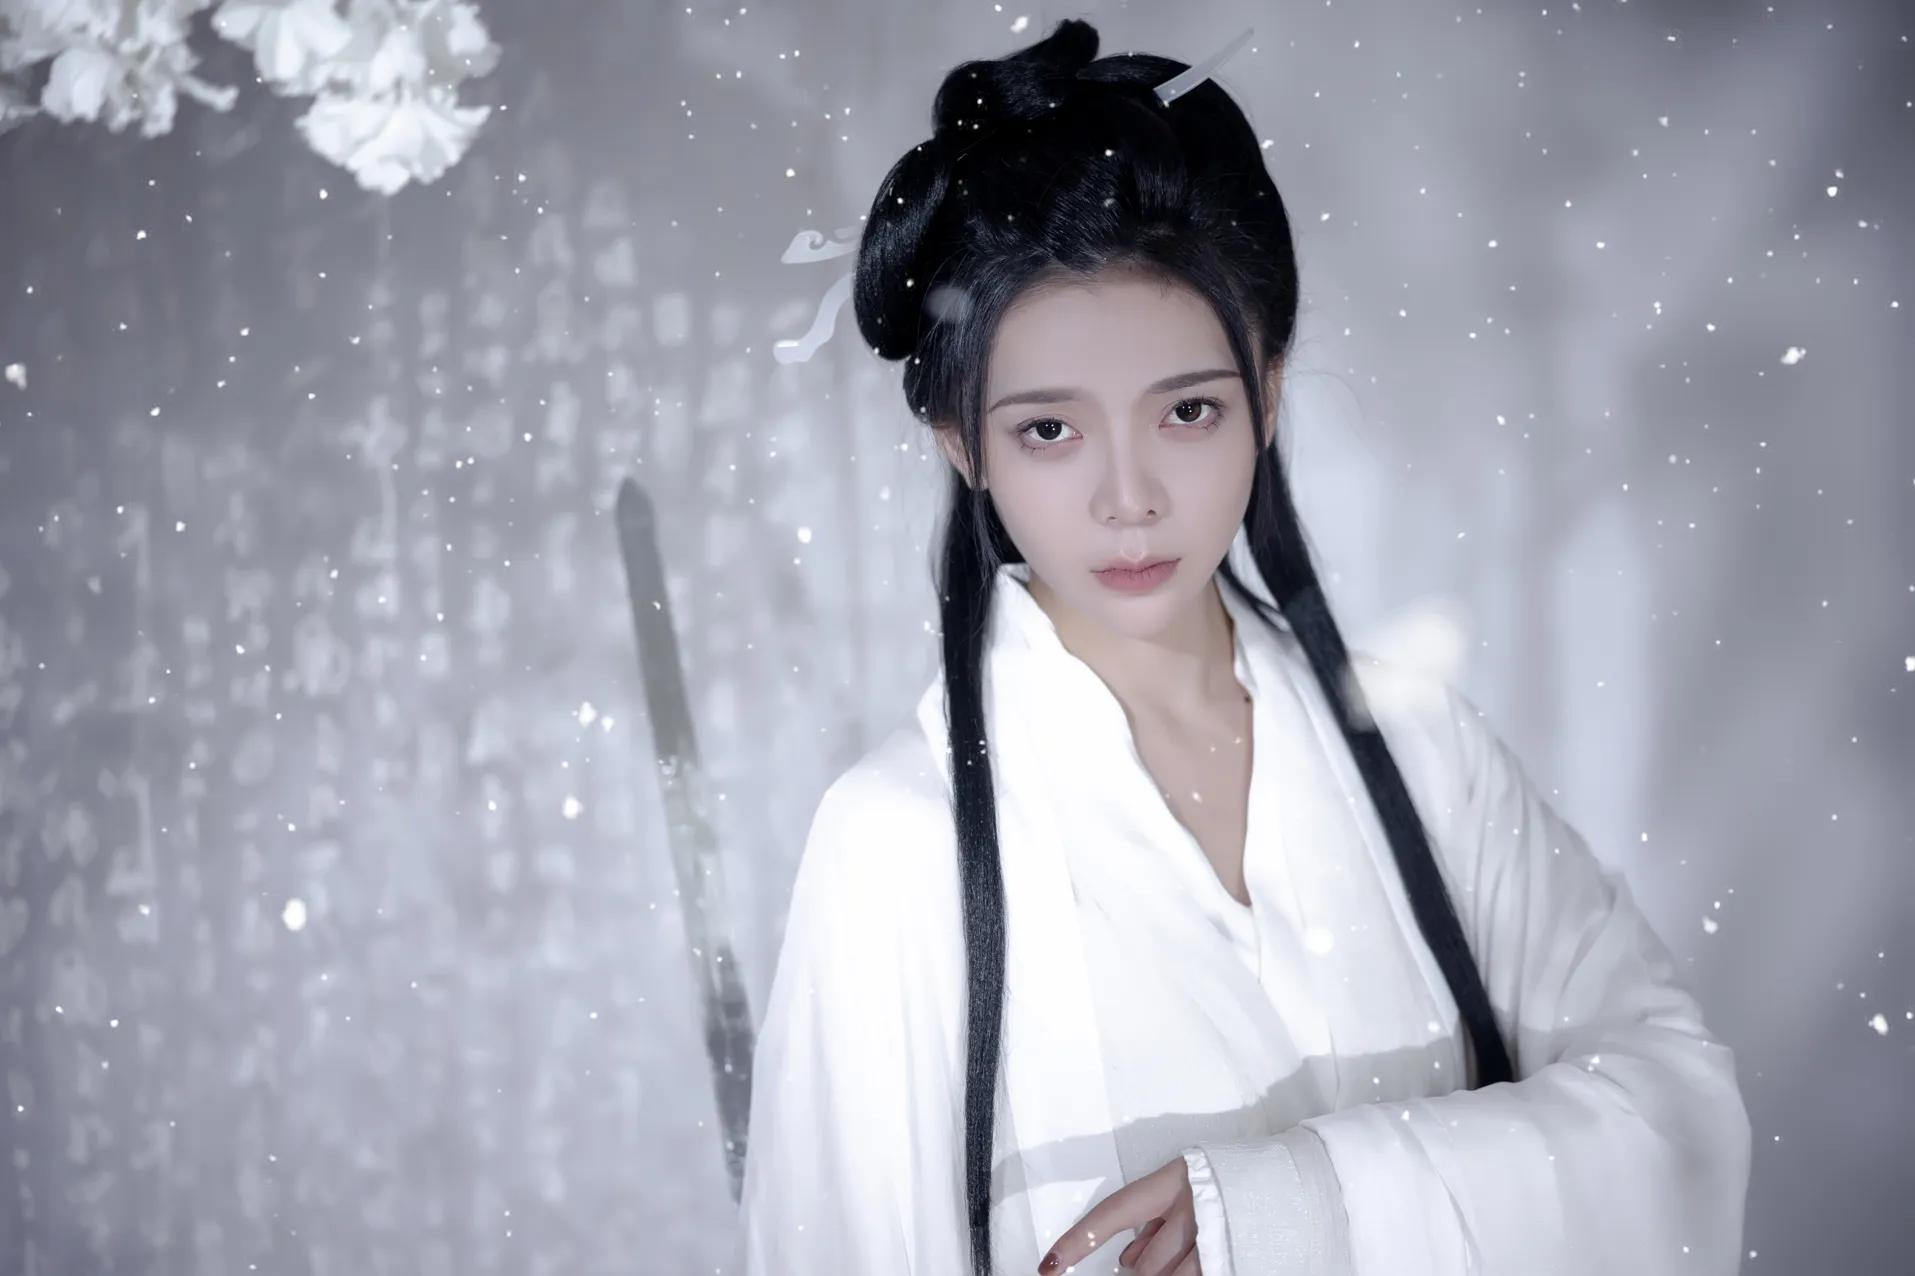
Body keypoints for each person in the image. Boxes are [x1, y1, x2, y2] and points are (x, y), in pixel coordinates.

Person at [732, 18, 1750, 1276]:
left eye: (1188, 410)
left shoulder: (1417, 749)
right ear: (960, 438)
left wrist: (1307, 1205)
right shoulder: (896, 844)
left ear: (1267, 389)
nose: (1128, 499)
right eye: (1049, 430)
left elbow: (1677, 1118)